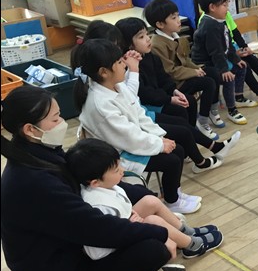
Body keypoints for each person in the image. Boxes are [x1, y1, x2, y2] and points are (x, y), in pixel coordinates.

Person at [1, 85, 185, 271]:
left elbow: (86, 184)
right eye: (55, 119)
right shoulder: (32, 181)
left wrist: (141, 203)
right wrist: (159, 233)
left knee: (140, 198)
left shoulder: (39, 153)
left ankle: (181, 234)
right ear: (30, 129)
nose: (62, 123)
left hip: (71, 244)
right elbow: (95, 229)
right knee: (154, 249)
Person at [73, 38, 202, 214]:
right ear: (104, 72)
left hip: (130, 142)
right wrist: (158, 144)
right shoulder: (100, 104)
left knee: (177, 149)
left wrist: (159, 136)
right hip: (119, 153)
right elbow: (128, 136)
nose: (124, 65)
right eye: (119, 62)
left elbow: (139, 114)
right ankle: (173, 201)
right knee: (171, 160)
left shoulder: (116, 86)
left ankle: (174, 195)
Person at [66, 138, 223, 260]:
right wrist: (130, 223)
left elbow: (120, 215)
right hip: (111, 248)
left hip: (124, 226)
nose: (122, 170)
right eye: (116, 170)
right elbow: (107, 239)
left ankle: (186, 232)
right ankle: (192, 245)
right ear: (95, 182)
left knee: (150, 201)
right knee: (153, 221)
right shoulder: (99, 204)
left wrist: (130, 217)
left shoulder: (102, 186)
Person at [115, 17, 242, 164]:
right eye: (141, 37)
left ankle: (192, 147)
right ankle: (200, 150)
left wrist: (174, 92)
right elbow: (144, 94)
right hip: (147, 106)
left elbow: (164, 79)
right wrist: (169, 99)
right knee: (181, 116)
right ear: (129, 44)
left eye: (146, 34)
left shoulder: (150, 56)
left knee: (189, 102)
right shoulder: (129, 66)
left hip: (158, 99)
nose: (148, 39)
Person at [143, 0, 223, 130]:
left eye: (178, 15)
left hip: (183, 75)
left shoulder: (175, 36)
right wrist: (194, 72)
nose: (178, 20)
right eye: (173, 18)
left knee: (213, 73)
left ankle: (212, 111)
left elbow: (185, 60)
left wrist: (197, 68)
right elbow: (170, 71)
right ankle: (203, 120)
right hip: (175, 83)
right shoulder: (157, 45)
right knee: (208, 82)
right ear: (160, 24)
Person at [190, 0, 252, 125]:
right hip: (204, 64)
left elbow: (227, 44)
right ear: (212, 7)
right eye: (224, 5)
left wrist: (236, 59)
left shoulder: (220, 20)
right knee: (228, 77)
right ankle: (231, 110)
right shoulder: (209, 25)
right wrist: (224, 69)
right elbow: (215, 51)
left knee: (241, 67)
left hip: (216, 60)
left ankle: (238, 97)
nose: (227, 8)